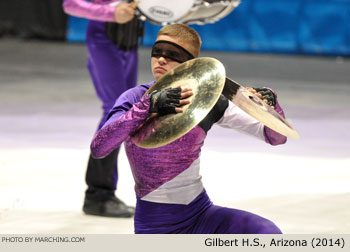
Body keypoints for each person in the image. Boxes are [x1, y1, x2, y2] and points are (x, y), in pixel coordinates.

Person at [90, 24, 287, 233]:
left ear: (190, 64)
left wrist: (271, 109)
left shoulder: (207, 100)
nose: (161, 59)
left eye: (172, 54)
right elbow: (99, 147)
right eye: (157, 52)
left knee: (267, 233)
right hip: (155, 224)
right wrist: (148, 106)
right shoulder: (134, 98)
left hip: (201, 214)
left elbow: (276, 137)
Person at [62, 0, 143, 217]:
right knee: (116, 112)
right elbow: (70, 4)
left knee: (126, 109)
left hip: (129, 35)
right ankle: (97, 195)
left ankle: (103, 194)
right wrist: (110, 12)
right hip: (104, 36)